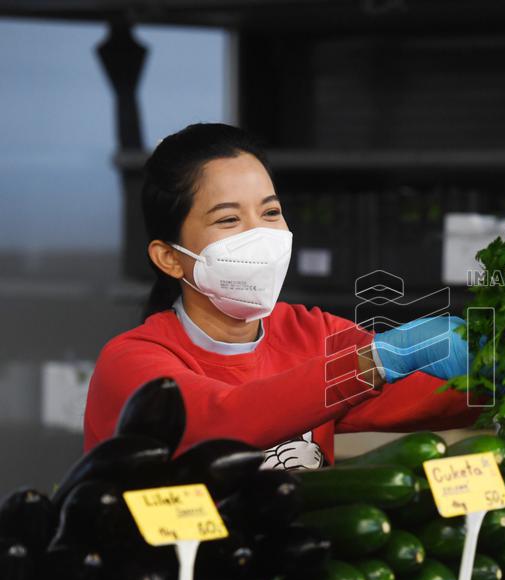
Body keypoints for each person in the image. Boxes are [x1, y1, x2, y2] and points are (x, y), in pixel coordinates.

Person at [83, 123, 477, 469]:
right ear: (169, 258)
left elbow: (423, 397)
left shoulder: (309, 334)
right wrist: (375, 360)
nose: (261, 236)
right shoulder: (131, 363)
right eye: (228, 219)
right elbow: (225, 420)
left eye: (270, 213)